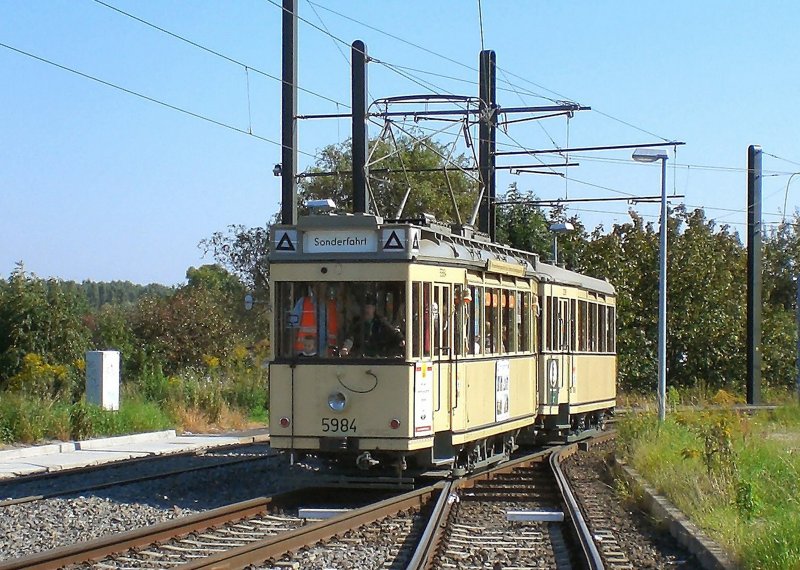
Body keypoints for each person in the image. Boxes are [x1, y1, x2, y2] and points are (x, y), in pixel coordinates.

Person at [340, 294, 405, 358]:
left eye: (368, 307)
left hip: (377, 358)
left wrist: (401, 339)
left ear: (373, 308)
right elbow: (350, 337)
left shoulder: (381, 322)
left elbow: (394, 332)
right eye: (364, 307)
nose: (366, 310)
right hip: (360, 359)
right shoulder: (357, 322)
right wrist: (346, 348)